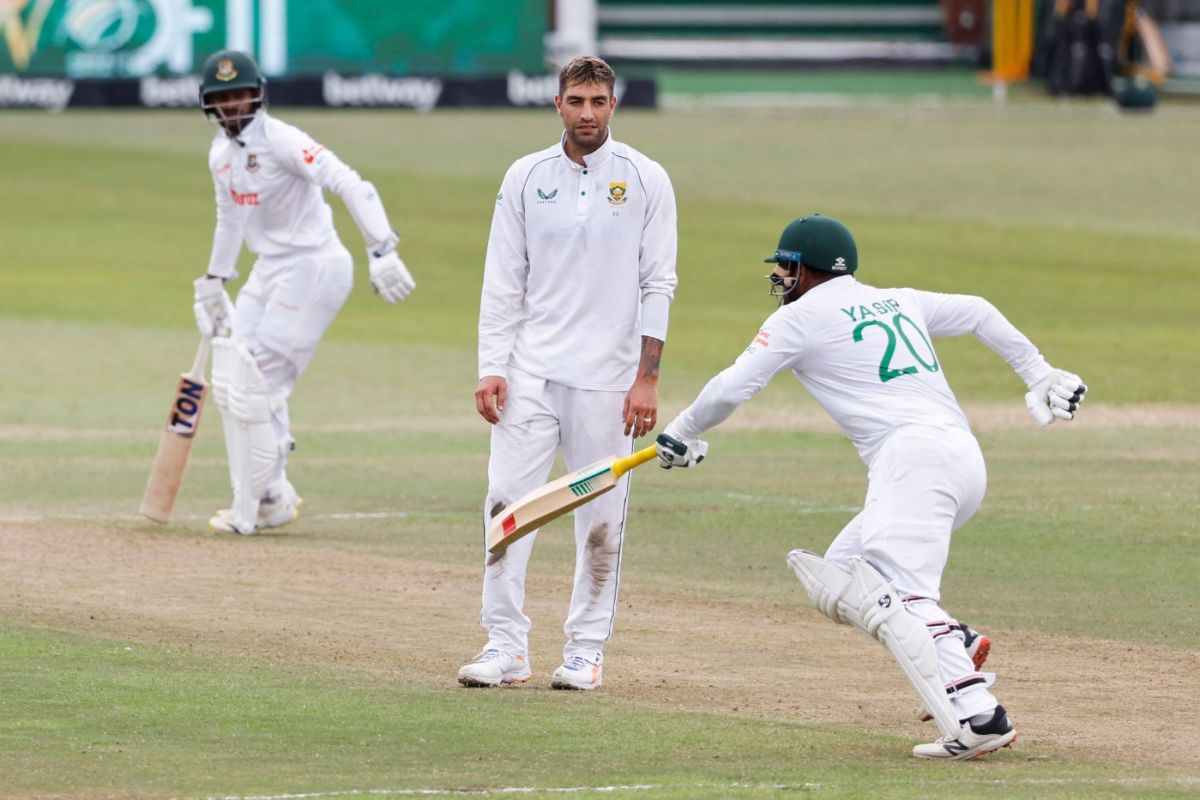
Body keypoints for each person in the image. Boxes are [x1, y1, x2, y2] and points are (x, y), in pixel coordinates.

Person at [654, 214, 1086, 760]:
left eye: (785, 267)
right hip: (962, 457)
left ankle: (979, 717)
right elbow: (977, 310)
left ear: (804, 269)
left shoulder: (798, 319)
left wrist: (683, 431)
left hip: (912, 462)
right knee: (841, 573)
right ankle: (954, 638)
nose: (781, 278)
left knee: (901, 595)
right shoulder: (897, 298)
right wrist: (1038, 372)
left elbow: (732, 386)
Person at [458, 56, 678, 690]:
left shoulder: (645, 179)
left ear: (614, 105)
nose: (588, 113)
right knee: (506, 506)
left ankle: (585, 649)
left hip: (609, 380)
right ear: (558, 104)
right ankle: (505, 644)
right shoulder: (526, 177)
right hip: (530, 372)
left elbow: (658, 281)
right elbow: (503, 280)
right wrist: (492, 367)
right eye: (577, 101)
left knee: (600, 518)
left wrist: (647, 377)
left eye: (599, 102)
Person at [192, 50, 415, 535]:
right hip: (270, 268)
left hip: (315, 266)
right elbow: (229, 220)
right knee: (233, 374)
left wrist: (382, 249)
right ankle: (269, 491)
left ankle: (265, 498)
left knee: (262, 382)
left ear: (258, 94)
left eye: (240, 95)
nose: (232, 106)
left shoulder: (283, 140)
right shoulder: (220, 156)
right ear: (210, 104)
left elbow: (351, 183)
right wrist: (214, 280)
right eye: (222, 98)